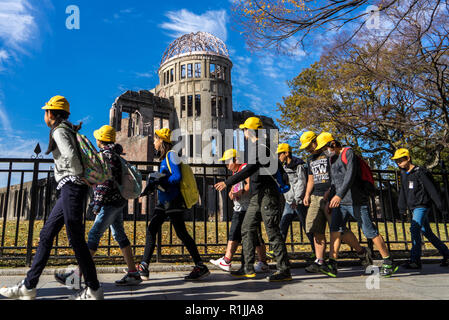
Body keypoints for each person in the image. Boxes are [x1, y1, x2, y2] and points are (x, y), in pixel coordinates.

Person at [0, 96, 103, 300]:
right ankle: (28, 286)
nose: (44, 115)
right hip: (70, 187)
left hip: (72, 187)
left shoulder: (59, 130)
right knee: (47, 234)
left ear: (51, 114)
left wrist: (76, 175)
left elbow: (72, 158)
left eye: (46, 111)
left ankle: (94, 289)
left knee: (76, 239)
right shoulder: (68, 129)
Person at [54, 125, 142, 286]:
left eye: (97, 138)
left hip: (109, 203)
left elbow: (104, 182)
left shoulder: (105, 156)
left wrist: (96, 204)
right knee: (120, 235)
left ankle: (75, 275)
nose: (96, 140)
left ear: (101, 140)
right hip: (118, 201)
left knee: (94, 236)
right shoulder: (115, 155)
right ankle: (133, 273)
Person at [215, 117, 292, 282]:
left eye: (244, 129)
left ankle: (284, 270)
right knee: (247, 227)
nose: (243, 132)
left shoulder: (262, 147)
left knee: (272, 231)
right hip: (258, 196)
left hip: (268, 195)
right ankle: (247, 267)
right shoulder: (255, 147)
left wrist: (227, 182)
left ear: (249, 131)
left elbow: (250, 169)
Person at [318, 132, 397, 277]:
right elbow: (335, 181)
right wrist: (330, 195)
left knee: (369, 231)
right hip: (339, 203)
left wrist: (339, 195)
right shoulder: (332, 160)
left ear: (333, 144)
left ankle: (388, 261)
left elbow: (350, 175)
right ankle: (332, 264)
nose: (324, 151)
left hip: (356, 201)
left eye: (325, 148)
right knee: (335, 230)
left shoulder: (348, 153)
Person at [136, 128, 210, 281]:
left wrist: (160, 180)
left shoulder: (172, 155)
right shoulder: (166, 158)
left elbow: (176, 177)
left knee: (179, 233)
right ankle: (144, 266)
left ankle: (200, 265)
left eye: (155, 140)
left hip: (172, 201)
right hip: (165, 202)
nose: (154, 143)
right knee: (156, 229)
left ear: (161, 141)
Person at [300, 131, 371, 276]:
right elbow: (311, 179)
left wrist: (334, 194)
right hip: (315, 197)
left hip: (331, 196)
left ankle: (362, 252)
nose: (308, 149)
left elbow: (338, 174)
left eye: (309, 146)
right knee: (316, 229)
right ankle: (320, 261)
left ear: (315, 141)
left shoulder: (329, 154)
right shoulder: (310, 159)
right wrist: (307, 194)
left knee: (339, 230)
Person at [210, 149, 269, 273]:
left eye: (227, 162)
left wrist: (240, 192)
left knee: (239, 233)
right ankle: (261, 262)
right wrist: (232, 193)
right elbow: (234, 188)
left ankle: (227, 261)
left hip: (247, 207)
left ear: (236, 160)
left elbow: (250, 185)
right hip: (240, 207)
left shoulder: (245, 169)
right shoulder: (235, 172)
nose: (226, 165)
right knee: (248, 235)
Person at [392, 148, 449, 269]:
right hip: (413, 207)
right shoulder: (403, 174)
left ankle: (415, 260)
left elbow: (431, 189)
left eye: (400, 160)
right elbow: (403, 191)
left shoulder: (420, 172)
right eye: (396, 161)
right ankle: (447, 254)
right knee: (427, 232)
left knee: (414, 228)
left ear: (408, 158)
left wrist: (441, 206)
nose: (398, 163)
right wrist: (401, 207)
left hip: (422, 206)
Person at [272, 143, 315, 259]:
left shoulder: (298, 165)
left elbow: (301, 182)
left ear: (286, 153)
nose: (278, 157)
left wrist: (297, 199)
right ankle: (278, 253)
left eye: (279, 154)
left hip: (298, 202)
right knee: (282, 227)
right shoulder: (283, 167)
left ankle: (316, 252)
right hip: (289, 202)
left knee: (307, 227)